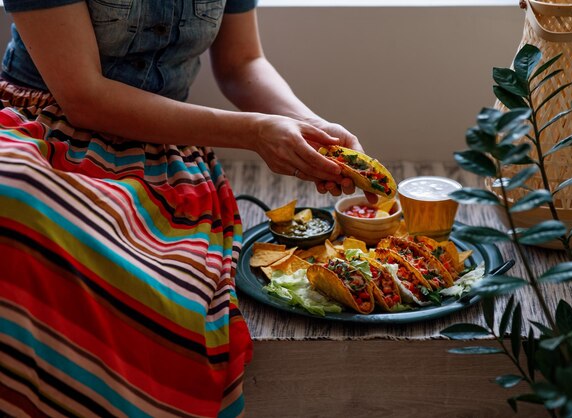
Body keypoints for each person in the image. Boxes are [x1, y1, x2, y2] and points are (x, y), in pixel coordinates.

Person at [0, 1, 373, 417]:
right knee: (14, 201)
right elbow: (83, 98)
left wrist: (313, 130)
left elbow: (242, 63)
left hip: (161, 152)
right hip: (37, 131)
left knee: (162, 299)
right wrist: (255, 132)